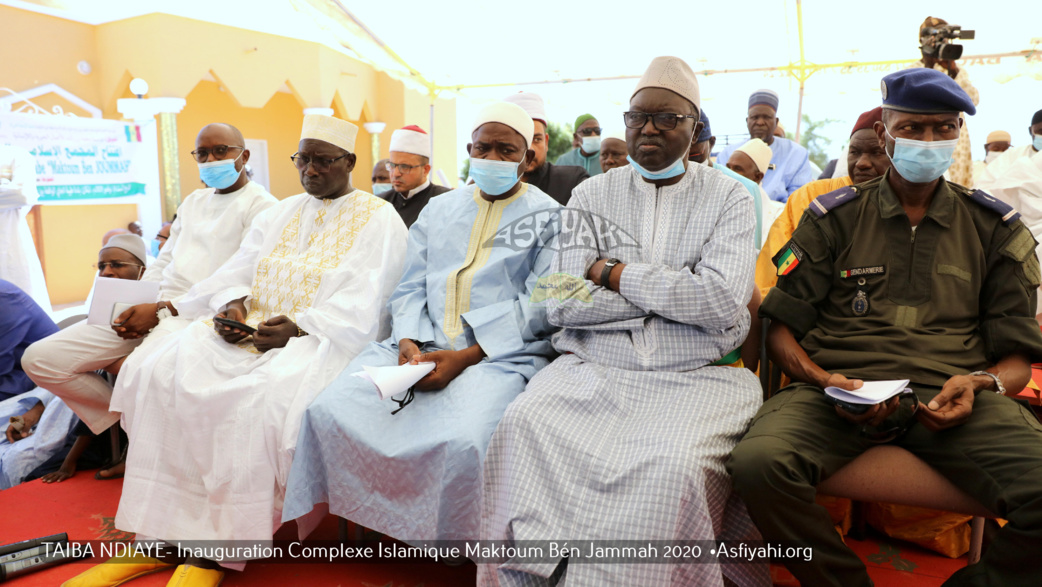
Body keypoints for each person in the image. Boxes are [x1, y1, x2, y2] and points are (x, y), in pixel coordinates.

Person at [59, 114, 409, 587]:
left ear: (349, 161)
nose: (310, 170)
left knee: (257, 400)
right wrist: (232, 307)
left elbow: (369, 301)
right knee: (160, 368)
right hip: (251, 331)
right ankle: (158, 534)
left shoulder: (379, 218)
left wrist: (298, 329)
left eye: (323, 161)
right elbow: (238, 272)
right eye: (302, 159)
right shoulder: (279, 212)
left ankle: (218, 548)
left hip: (318, 341)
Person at [728, 68, 1042, 587]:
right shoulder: (832, 219)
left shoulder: (993, 229)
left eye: (944, 129)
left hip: (951, 397)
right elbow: (779, 328)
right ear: (885, 133)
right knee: (758, 465)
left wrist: (979, 383)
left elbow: (1014, 360)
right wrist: (821, 378)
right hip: (837, 390)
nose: (929, 141)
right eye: (913, 128)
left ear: (958, 133)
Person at [480, 56, 766, 587]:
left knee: (674, 466)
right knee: (522, 426)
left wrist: (613, 273)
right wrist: (677, 291)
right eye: (638, 117)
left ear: (695, 126)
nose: (649, 129)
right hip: (593, 366)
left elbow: (725, 306)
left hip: (694, 377)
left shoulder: (728, 196)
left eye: (667, 118)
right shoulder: (591, 194)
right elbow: (562, 303)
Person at [282, 101, 560, 548]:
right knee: (331, 410)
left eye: (506, 150)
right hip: (416, 343)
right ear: (469, 150)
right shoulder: (440, 210)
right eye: (483, 148)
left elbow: (540, 306)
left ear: (527, 159)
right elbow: (409, 285)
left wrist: (465, 356)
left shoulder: (551, 218)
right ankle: (364, 516)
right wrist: (408, 341)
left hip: (497, 356)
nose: (492, 159)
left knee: (466, 440)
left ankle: (452, 539)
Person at [23, 123, 277, 442]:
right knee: (41, 359)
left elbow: (238, 275)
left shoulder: (263, 207)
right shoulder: (193, 202)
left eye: (220, 151)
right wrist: (135, 301)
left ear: (244, 155)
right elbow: (164, 261)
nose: (211, 159)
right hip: (153, 306)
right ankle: (122, 419)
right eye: (202, 153)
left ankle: (143, 438)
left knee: (144, 372)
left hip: (196, 316)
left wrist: (161, 309)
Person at [1, 236, 144, 488]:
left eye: (117, 264)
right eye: (102, 267)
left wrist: (68, 461)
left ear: (142, 271)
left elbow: (94, 419)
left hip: (70, 438)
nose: (107, 272)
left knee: (17, 465)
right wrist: (23, 421)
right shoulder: (89, 332)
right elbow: (48, 393)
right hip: (43, 424)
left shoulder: (139, 336)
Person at [754, 107, 889, 297]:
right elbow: (776, 273)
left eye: (876, 152)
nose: (861, 163)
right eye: (854, 152)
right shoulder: (812, 197)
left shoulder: (909, 203)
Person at [912, 16, 979, 187]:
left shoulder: (957, 71)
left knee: (958, 187)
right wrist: (928, 65)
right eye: (935, 40)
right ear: (923, 42)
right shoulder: (913, 70)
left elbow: (973, 101)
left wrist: (953, 69)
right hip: (927, 139)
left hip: (957, 140)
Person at [715, 89, 816, 203]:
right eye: (755, 117)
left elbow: (799, 201)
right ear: (747, 121)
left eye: (766, 117)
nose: (760, 122)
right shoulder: (728, 153)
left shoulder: (796, 154)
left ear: (776, 121)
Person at [690, 109, 770, 247]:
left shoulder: (745, 188)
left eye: (693, 155)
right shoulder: (668, 178)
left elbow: (751, 251)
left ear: (711, 143)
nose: (688, 163)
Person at [505, 92, 588, 205]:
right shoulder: (491, 188)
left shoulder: (573, 180)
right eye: (521, 140)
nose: (530, 149)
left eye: (537, 139)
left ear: (546, 142)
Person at [0, 143, 51, 313]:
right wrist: (5, 186)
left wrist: (12, 193)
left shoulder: (16, 155)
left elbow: (23, 194)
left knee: (20, 312)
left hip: (10, 248)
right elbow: (13, 194)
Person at [377, 125, 450, 227]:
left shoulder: (445, 200)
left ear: (425, 170)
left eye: (405, 167)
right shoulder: (380, 203)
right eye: (392, 165)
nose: (396, 173)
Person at [975, 109, 1042, 188]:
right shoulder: (1011, 156)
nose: (1000, 151)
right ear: (1030, 131)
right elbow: (985, 187)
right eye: (1041, 131)